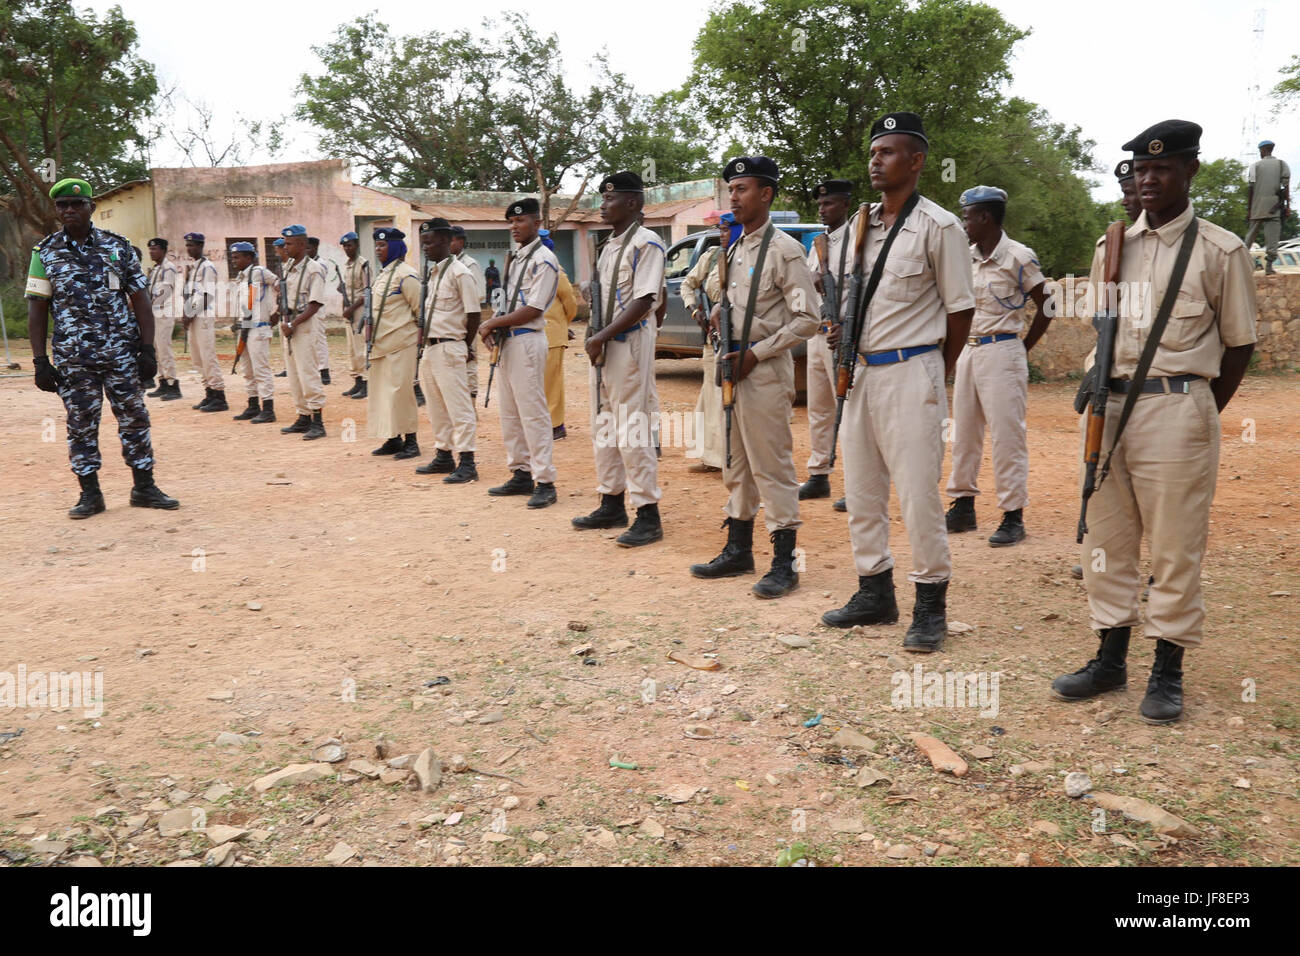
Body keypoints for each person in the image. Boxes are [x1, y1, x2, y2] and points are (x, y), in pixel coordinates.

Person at [1051, 120, 1257, 725]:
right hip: (1110, 410)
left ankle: (1168, 668)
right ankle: (1109, 655)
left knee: (1174, 547)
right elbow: (1100, 328)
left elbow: (1239, 345)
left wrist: (1194, 412)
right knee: (1107, 540)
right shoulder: (1111, 246)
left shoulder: (1221, 250)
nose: (1149, 178)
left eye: (1162, 169)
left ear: (1190, 171)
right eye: (1141, 169)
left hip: (1177, 408)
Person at [820, 112, 975, 652]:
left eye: (889, 152)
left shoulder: (940, 226)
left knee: (916, 495)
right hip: (860, 372)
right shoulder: (857, 228)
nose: (876, 161)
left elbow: (960, 311)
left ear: (916, 161)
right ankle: (874, 591)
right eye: (873, 152)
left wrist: (938, 369)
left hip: (913, 370)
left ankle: (930, 603)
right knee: (861, 491)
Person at [689, 156, 819, 598]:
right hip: (732, 370)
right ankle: (738, 548)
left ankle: (785, 561)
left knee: (773, 467)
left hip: (763, 372)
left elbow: (807, 319)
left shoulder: (786, 250)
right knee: (736, 463)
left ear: (766, 194)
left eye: (742, 189)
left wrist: (756, 353)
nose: (734, 197)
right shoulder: (733, 249)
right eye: (731, 189)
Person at [26, 177, 179, 518]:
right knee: (80, 424)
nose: (69, 210)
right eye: (62, 205)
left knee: (135, 419)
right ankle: (90, 494)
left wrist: (147, 349)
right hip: (74, 359)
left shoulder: (118, 246)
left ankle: (144, 486)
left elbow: (140, 299)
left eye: (76, 204)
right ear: (56, 210)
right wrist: (40, 361)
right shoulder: (44, 252)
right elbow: (37, 307)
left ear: (91, 207)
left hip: (121, 355)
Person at [944, 185, 1053, 547]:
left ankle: (1012, 515)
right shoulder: (966, 256)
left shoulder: (1017, 257)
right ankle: (963, 506)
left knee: (1007, 436)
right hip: (968, 351)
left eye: (967, 217)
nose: (964, 223)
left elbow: (1047, 306)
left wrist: (1024, 348)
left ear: (985, 217)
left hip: (1003, 351)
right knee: (963, 433)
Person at [573, 171, 666, 548]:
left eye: (610, 199)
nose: (602, 205)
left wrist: (601, 336)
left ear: (632, 202)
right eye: (602, 198)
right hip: (605, 343)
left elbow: (644, 301)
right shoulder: (609, 246)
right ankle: (611, 501)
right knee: (605, 422)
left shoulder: (648, 243)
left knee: (632, 425)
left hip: (627, 343)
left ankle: (647, 513)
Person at [478, 197, 559, 509]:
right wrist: (497, 328)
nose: (514, 226)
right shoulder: (516, 258)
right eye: (511, 222)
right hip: (508, 341)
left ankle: (546, 480)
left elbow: (534, 308)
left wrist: (492, 323)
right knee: (510, 413)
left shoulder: (544, 259)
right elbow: (508, 303)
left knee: (533, 412)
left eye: (521, 221)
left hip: (527, 339)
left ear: (537, 223)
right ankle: (521, 473)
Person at [802, 179, 855, 506]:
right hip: (817, 335)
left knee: (847, 413)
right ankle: (819, 474)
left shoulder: (858, 242)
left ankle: (856, 484)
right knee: (819, 409)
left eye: (829, 204)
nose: (823, 209)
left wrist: (847, 328)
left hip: (844, 337)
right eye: (820, 205)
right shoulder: (817, 243)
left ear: (845, 205)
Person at [414, 218, 479, 482]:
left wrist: (465, 346)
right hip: (430, 347)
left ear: (444, 240)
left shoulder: (460, 272)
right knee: (436, 406)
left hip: (450, 346)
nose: (425, 248)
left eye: (428, 242)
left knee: (459, 407)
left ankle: (467, 461)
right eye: (423, 243)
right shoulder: (434, 273)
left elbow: (473, 313)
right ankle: (443, 454)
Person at [366, 227, 421, 460]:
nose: (378, 250)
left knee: (401, 393)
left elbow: (421, 311)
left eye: (383, 245)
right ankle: (393, 438)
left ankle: (411, 441)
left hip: (402, 343)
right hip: (381, 345)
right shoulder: (383, 274)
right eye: (377, 246)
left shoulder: (406, 274)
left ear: (396, 247)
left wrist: (419, 346)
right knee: (384, 394)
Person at [679, 224, 729, 473]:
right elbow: (687, 284)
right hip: (713, 339)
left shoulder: (754, 256)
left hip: (743, 341)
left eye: (728, 228)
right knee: (711, 396)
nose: (723, 233)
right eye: (720, 228)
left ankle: (732, 460)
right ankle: (713, 458)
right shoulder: (711, 258)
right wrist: (695, 310)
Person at [276, 224, 328, 440]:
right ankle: (303, 415)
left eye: (289, 244)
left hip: (304, 325)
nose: (285, 247)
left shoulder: (314, 269)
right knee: (294, 374)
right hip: (288, 323)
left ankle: (318, 421)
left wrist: (293, 324)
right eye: (284, 243)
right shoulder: (288, 267)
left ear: (302, 244)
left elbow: (314, 304)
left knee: (308, 372)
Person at [229, 241, 277, 423]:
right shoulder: (241, 277)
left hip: (259, 327)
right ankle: (253, 404)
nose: (234, 261)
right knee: (247, 370)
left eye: (237, 257)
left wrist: (276, 310)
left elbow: (280, 285)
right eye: (232, 257)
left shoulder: (259, 272)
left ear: (249, 257)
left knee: (260, 369)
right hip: (245, 328)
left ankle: (268, 408)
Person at [182, 231, 226, 411]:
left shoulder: (207, 267)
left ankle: (219, 395)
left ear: (200, 246)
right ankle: (208, 392)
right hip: (193, 315)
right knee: (198, 357)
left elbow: (208, 295)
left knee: (208, 356)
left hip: (202, 316)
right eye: (187, 245)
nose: (188, 248)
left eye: (192, 245)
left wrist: (190, 313)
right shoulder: (193, 268)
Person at [541, 230, 578, 440]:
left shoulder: (556, 270)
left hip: (552, 334)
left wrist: (562, 324)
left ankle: (556, 425)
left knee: (552, 382)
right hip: (533, 334)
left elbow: (570, 303)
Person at [144, 237, 183, 400]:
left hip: (163, 314)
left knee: (164, 349)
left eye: (155, 249)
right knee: (156, 350)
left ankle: (173, 385)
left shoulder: (169, 268)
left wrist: (149, 305)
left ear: (163, 250)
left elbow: (166, 291)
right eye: (150, 249)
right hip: (154, 314)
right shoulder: (156, 269)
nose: (152, 252)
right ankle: (163, 382)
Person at [1244, 139, 1291, 275]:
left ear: (1263, 150)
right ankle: (1269, 266)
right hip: (1274, 208)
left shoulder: (1254, 166)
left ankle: (1241, 263)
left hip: (1257, 207)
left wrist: (1249, 209)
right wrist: (1288, 207)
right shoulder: (1282, 165)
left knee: (1249, 238)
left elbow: (1250, 189)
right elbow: (1286, 187)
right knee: (1273, 239)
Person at [451, 226, 485, 402]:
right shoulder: (446, 264)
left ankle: (471, 405)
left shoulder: (469, 264)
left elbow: (479, 294)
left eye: (452, 240)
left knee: (469, 361)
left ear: (461, 242)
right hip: (451, 323)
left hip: (467, 320)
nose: (448, 243)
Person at [338, 231, 369, 399]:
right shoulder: (347, 265)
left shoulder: (363, 264)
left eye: (349, 245)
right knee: (351, 349)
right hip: (348, 311)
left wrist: (351, 308)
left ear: (356, 245)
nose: (346, 248)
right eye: (344, 246)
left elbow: (366, 292)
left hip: (359, 311)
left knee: (361, 349)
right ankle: (357, 380)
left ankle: (366, 382)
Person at [307, 236, 334, 384]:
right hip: (306, 307)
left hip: (317, 306)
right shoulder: (306, 264)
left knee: (319, 339)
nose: (306, 251)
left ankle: (324, 371)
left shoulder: (320, 264)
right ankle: (314, 369)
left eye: (309, 248)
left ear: (315, 248)